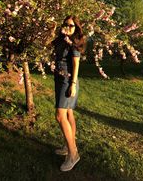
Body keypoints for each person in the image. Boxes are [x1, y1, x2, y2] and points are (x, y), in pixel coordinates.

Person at [52, 15, 85, 172]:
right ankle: (68, 145)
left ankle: (73, 154)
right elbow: (47, 43)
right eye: (65, 24)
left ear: (76, 28)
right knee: (69, 114)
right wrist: (54, 30)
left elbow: (76, 65)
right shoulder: (61, 40)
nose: (68, 27)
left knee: (60, 115)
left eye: (71, 25)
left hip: (68, 81)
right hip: (59, 79)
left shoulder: (74, 44)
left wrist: (72, 84)